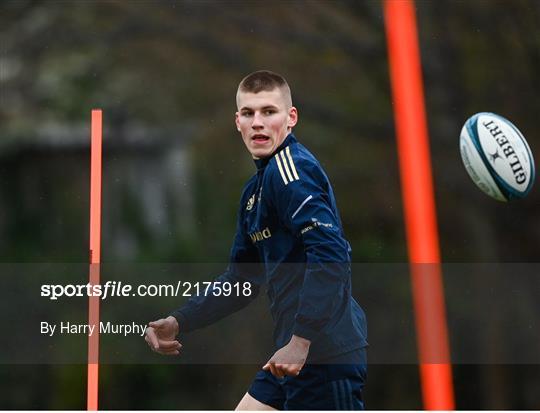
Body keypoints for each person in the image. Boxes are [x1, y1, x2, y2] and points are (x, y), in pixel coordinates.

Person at [145, 70, 368, 410]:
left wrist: (301, 341)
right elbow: (242, 279)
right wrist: (180, 320)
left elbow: (332, 254)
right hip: (289, 356)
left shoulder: (292, 172)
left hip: (323, 354)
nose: (258, 123)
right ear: (237, 122)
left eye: (269, 111)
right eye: (249, 113)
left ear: (291, 118)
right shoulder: (255, 192)